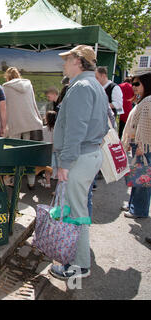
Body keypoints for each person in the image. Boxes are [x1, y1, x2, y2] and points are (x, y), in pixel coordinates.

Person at [49, 45, 109, 281]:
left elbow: (76, 130)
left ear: (78, 61)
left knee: (76, 211)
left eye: (67, 59)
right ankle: (77, 260)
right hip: (88, 154)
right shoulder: (95, 85)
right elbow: (103, 126)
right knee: (78, 208)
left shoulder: (82, 87)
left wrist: (65, 162)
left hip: (79, 158)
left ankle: (79, 266)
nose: (64, 64)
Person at [2, 66, 43, 189]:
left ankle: (11, 180)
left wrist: (4, 126)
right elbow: (33, 103)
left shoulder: (5, 87)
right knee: (29, 154)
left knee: (13, 154)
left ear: (7, 77)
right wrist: (39, 119)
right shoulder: (28, 85)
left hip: (15, 124)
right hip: (30, 122)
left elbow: (5, 108)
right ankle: (31, 182)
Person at [120, 72, 151, 219]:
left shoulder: (148, 101)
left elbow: (145, 127)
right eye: (133, 83)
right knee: (138, 178)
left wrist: (140, 146)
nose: (134, 87)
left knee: (143, 180)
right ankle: (134, 205)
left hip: (143, 147)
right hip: (140, 145)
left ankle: (138, 209)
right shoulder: (144, 100)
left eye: (137, 84)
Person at [37, 110, 57, 188]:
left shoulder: (43, 129)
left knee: (47, 169)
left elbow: (41, 140)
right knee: (57, 168)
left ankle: (48, 183)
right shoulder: (57, 130)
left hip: (47, 152)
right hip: (56, 151)